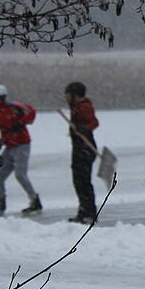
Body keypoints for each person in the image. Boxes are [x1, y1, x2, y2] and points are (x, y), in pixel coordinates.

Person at [0, 84, 42, 216]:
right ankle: (1, 203)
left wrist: (21, 123)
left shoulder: (14, 106)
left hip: (22, 144)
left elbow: (32, 112)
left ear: (2, 97)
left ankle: (34, 201)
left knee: (20, 174)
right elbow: (6, 132)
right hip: (10, 146)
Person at [64, 81, 99, 224]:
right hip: (78, 148)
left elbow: (94, 122)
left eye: (67, 94)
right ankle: (83, 211)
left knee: (83, 182)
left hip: (85, 148)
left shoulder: (84, 106)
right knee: (79, 182)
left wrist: (84, 128)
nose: (65, 97)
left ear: (74, 95)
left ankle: (89, 213)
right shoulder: (76, 107)